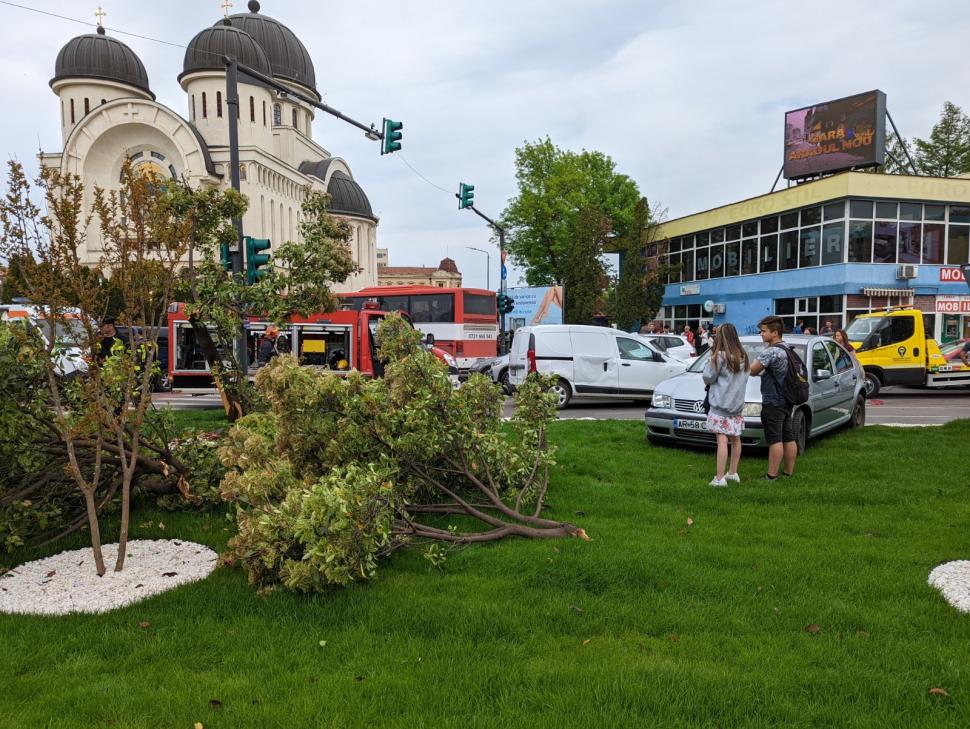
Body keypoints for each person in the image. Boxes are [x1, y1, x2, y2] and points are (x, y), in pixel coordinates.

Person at [750, 315, 798, 480]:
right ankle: (788, 473)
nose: (761, 334)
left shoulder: (771, 352)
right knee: (788, 436)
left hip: (773, 401)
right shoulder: (787, 348)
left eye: (764, 331)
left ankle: (771, 476)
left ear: (775, 333)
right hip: (787, 399)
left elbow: (753, 370)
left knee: (775, 439)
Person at [702, 323, 750, 487]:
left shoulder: (719, 356)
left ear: (721, 337)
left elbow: (708, 377)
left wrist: (711, 355)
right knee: (736, 438)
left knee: (722, 440)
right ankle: (733, 473)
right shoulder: (744, 355)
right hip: (736, 405)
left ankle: (719, 478)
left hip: (720, 404)